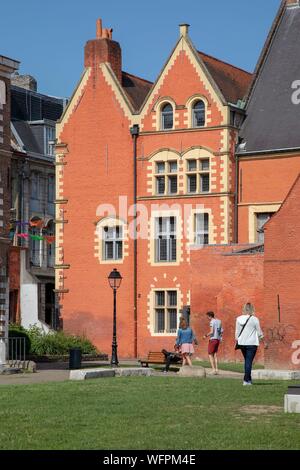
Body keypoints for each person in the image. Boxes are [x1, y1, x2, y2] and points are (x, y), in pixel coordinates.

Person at [235, 303, 264, 386]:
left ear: (244, 309)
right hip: (252, 343)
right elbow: (259, 332)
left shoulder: (238, 319)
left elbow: (237, 331)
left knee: (247, 361)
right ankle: (246, 380)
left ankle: (249, 380)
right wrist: (264, 341)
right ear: (252, 309)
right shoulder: (254, 319)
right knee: (248, 361)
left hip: (242, 343)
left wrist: (237, 340)